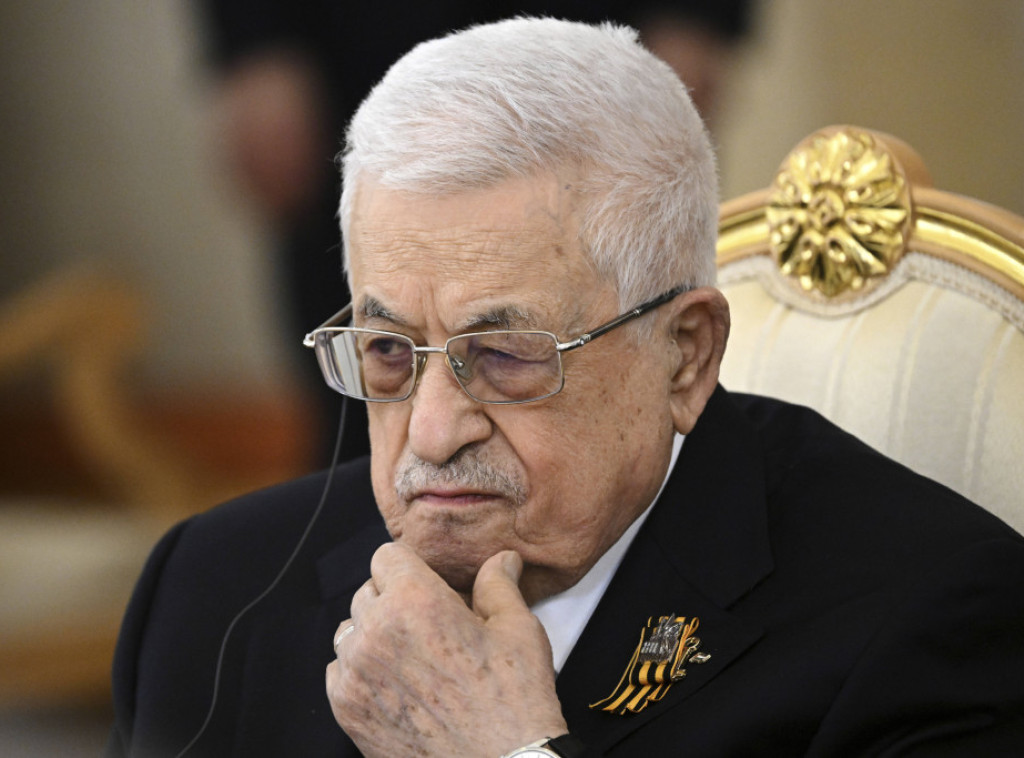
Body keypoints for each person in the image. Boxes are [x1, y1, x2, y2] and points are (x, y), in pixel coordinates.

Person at [108, 17, 1024, 757]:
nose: (431, 433)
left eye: (505, 356)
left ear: (685, 356)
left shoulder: (925, 618)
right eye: (389, 351)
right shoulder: (210, 587)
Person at [197, 0, 752, 465]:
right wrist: (253, 40)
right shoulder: (194, 560)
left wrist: (696, 15)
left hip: (589, 45)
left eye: (506, 355)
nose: (434, 436)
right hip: (352, 44)